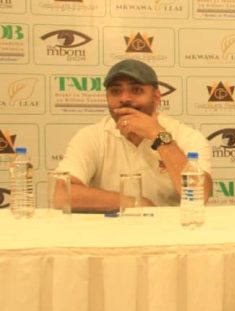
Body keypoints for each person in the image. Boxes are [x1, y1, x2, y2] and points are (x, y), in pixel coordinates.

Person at [56, 59, 212, 211]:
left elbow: (200, 195)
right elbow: (61, 195)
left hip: (172, 227)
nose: (124, 98)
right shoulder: (91, 136)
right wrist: (134, 203)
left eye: (136, 90)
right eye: (115, 91)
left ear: (156, 97)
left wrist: (158, 135)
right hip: (111, 227)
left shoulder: (187, 136)